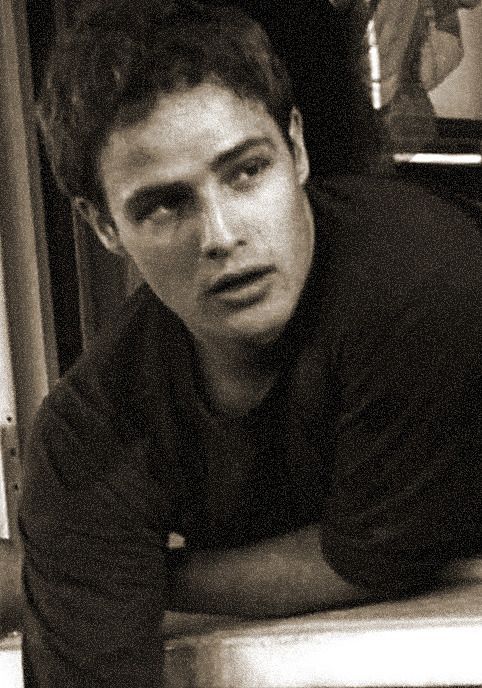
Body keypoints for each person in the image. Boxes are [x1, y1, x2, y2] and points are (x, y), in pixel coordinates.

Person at [19, 0, 481, 686]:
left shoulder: (423, 280)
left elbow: (374, 558)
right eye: (164, 205)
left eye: (246, 171)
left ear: (295, 148)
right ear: (104, 226)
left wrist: (121, 564)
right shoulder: (89, 433)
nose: (222, 236)